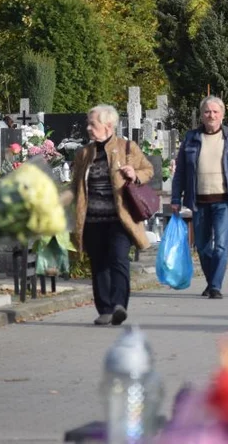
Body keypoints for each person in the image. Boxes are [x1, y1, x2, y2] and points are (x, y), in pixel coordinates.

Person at [73, 105, 154, 326]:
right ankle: (105, 309)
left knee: (118, 259)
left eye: (93, 124)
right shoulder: (84, 154)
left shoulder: (128, 148)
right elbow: (75, 188)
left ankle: (119, 305)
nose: (89, 128)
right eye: (88, 124)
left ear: (108, 126)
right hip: (92, 219)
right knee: (99, 264)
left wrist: (134, 174)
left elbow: (148, 170)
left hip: (120, 219)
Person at [171, 96, 228, 300]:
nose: (211, 115)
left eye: (215, 112)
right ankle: (211, 282)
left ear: (222, 115)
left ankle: (215, 286)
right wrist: (175, 199)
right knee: (203, 246)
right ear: (202, 115)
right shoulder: (191, 138)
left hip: (224, 200)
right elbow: (180, 171)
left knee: (221, 245)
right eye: (207, 112)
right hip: (199, 201)